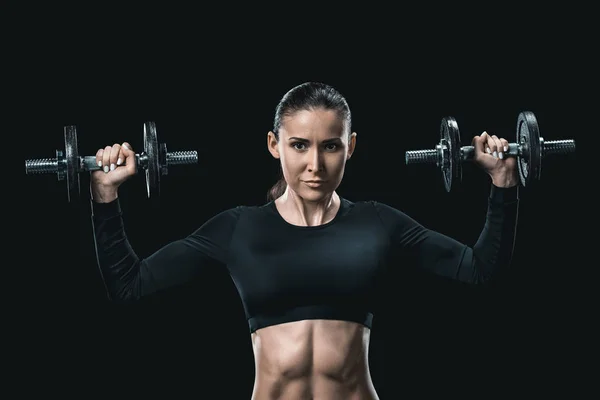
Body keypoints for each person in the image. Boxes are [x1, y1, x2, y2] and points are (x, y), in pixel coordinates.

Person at [89, 81, 519, 399]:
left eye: (330, 146)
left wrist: (503, 184)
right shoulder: (239, 228)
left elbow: (480, 270)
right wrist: (105, 197)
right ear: (275, 145)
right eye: (299, 145)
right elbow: (130, 286)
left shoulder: (378, 223)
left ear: (349, 147)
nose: (315, 164)